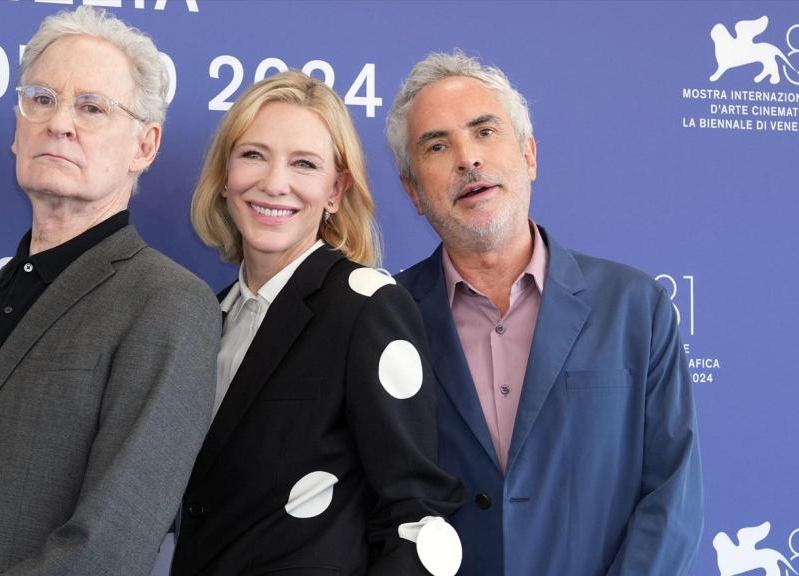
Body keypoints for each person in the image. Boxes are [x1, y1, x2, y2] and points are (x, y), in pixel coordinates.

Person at [0, 7, 220, 575]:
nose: (59, 123)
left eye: (92, 107)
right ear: (17, 127)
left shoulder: (168, 305)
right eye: (42, 99)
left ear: (144, 146)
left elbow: (108, 545)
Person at [386, 50, 703, 575]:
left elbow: (671, 499)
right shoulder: (385, 317)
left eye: (485, 132)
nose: (468, 159)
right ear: (413, 191)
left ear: (529, 154)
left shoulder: (636, 308)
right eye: (438, 145)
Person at [171, 70, 464, 576]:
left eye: (304, 163)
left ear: (335, 190)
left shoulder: (368, 308)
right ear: (224, 177)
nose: (274, 182)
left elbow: (418, 520)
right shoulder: (206, 317)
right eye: (253, 155)